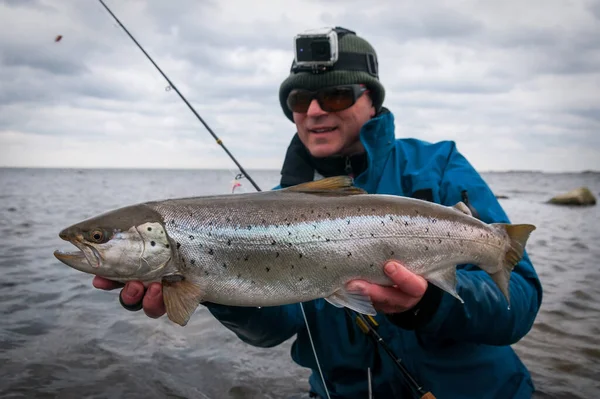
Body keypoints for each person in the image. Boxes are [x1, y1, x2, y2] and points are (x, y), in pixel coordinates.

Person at [93, 27, 543, 398]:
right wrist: (208, 286)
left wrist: (430, 303)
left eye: (334, 97)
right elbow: (272, 330)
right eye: (298, 100)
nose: (312, 112)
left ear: (372, 101)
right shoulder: (268, 209)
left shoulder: (437, 167)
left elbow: (518, 305)